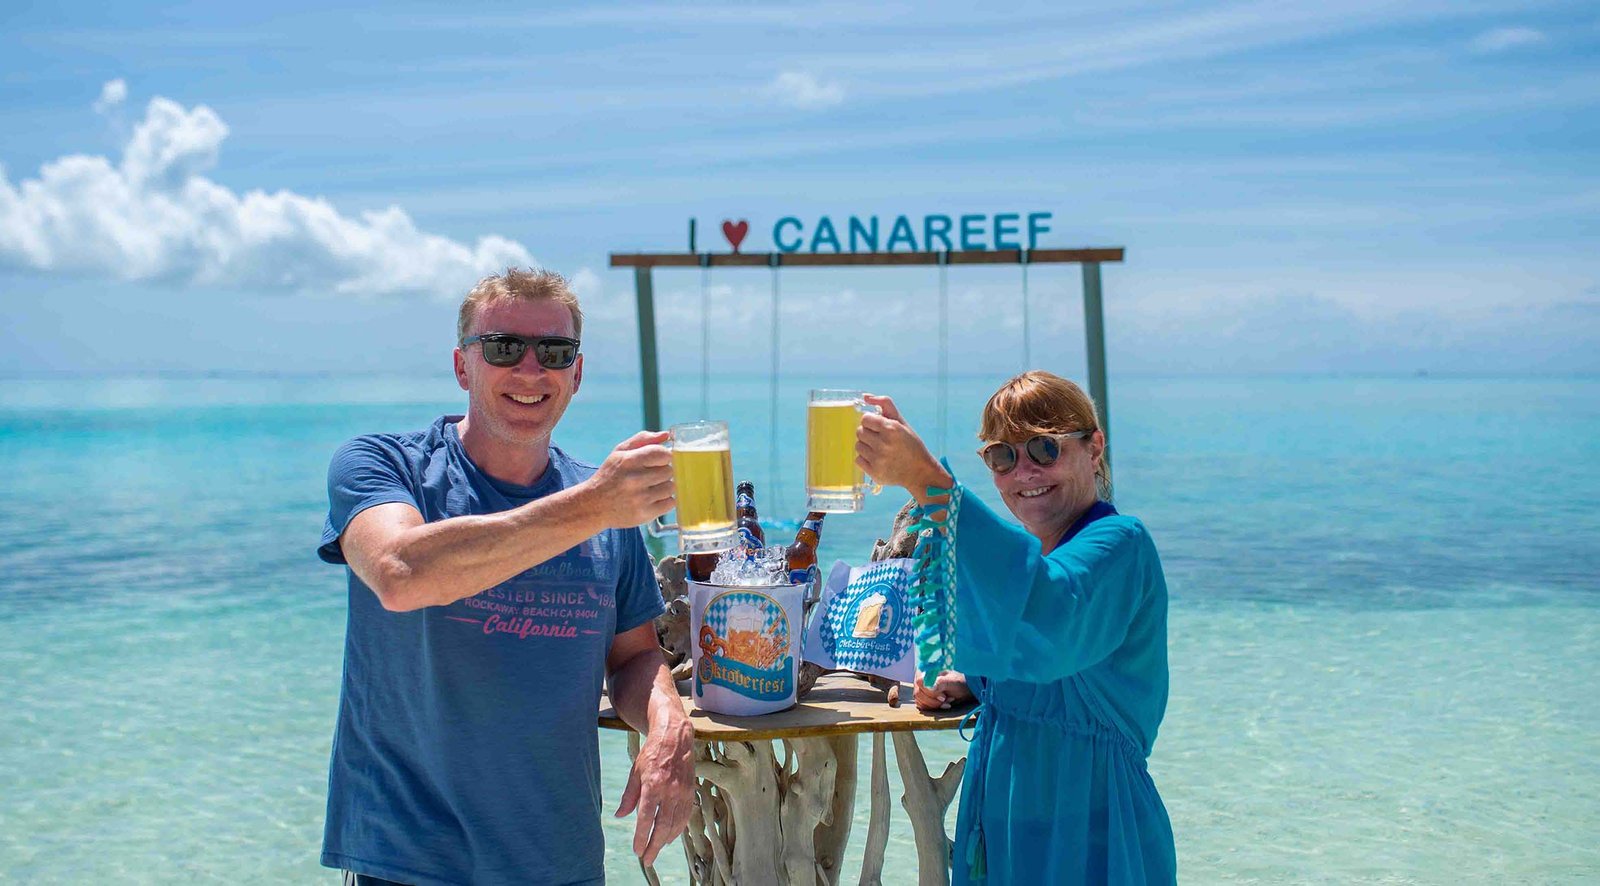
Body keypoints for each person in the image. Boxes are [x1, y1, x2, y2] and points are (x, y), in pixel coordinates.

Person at [316, 268, 694, 886]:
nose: (530, 369)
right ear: (462, 367)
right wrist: (597, 504)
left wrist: (668, 724)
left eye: (554, 351)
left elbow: (633, 659)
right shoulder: (383, 464)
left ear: (576, 374)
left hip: (561, 860)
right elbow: (400, 572)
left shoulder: (605, 505)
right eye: (503, 347)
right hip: (410, 862)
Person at [856, 371, 1176, 885]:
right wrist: (976, 680)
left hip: (1093, 836)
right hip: (1004, 828)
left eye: (1044, 449)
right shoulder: (1038, 557)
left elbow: (1052, 623)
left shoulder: (1121, 545)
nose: (1024, 471)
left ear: (1094, 448)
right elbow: (1030, 645)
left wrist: (929, 483)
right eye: (1003, 456)